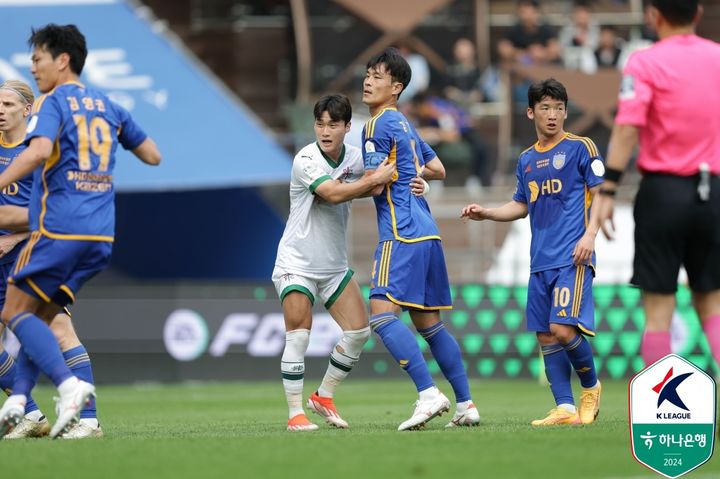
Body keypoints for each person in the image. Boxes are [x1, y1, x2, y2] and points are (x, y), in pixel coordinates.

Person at [0, 23, 161, 439]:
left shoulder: (52, 104)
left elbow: (36, 153)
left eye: (37, 59)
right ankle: (24, 402)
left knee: (20, 312)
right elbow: (152, 155)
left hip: (58, 231)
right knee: (41, 313)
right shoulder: (107, 105)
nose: (33, 67)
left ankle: (70, 391)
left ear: (61, 60)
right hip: (100, 235)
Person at [461, 79, 603, 426]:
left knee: (563, 327)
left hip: (574, 256)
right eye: (545, 108)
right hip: (540, 260)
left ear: (566, 112)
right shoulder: (526, 159)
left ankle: (591, 387)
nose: (552, 115)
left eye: (558, 108)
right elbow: (521, 205)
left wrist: (591, 235)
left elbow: (601, 194)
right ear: (531, 112)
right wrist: (488, 213)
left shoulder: (581, 148)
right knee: (545, 334)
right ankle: (565, 408)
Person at [594, 0, 720, 371]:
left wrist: (609, 187)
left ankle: (661, 414)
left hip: (663, 194)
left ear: (653, 15)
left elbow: (627, 127)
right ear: (697, 13)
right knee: (712, 304)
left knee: (659, 311)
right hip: (712, 192)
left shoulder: (643, 62)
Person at [361, 47, 479, 430]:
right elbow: (439, 168)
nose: (367, 81)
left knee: (380, 316)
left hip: (400, 233)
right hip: (428, 232)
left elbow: (376, 186)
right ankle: (466, 404)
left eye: (377, 77)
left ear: (396, 88)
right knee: (430, 325)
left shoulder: (375, 126)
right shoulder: (406, 124)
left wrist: (346, 185)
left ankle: (428, 394)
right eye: (367, 74)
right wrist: (419, 179)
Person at [272, 94, 394, 431]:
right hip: (296, 261)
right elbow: (333, 193)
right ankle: (295, 414)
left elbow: (381, 178)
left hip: (333, 266)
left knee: (358, 332)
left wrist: (418, 178)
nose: (325, 131)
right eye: (320, 123)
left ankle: (323, 396)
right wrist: (370, 182)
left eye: (333, 124)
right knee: (299, 334)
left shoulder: (354, 158)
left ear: (346, 127)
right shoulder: (306, 159)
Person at [0, 79, 104, 440]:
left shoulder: (39, 152)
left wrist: (14, 236)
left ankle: (89, 420)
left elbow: (50, 210)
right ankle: (30, 415)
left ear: (27, 110)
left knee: (59, 330)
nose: (1, 111)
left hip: (30, 256)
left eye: (9, 105)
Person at [497, 0, 561, 67]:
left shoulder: (546, 29)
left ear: (537, 12)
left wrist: (542, 54)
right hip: (519, 70)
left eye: (531, 12)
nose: (527, 16)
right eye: (523, 12)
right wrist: (523, 54)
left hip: (544, 70)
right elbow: (503, 49)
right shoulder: (514, 30)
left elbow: (556, 50)